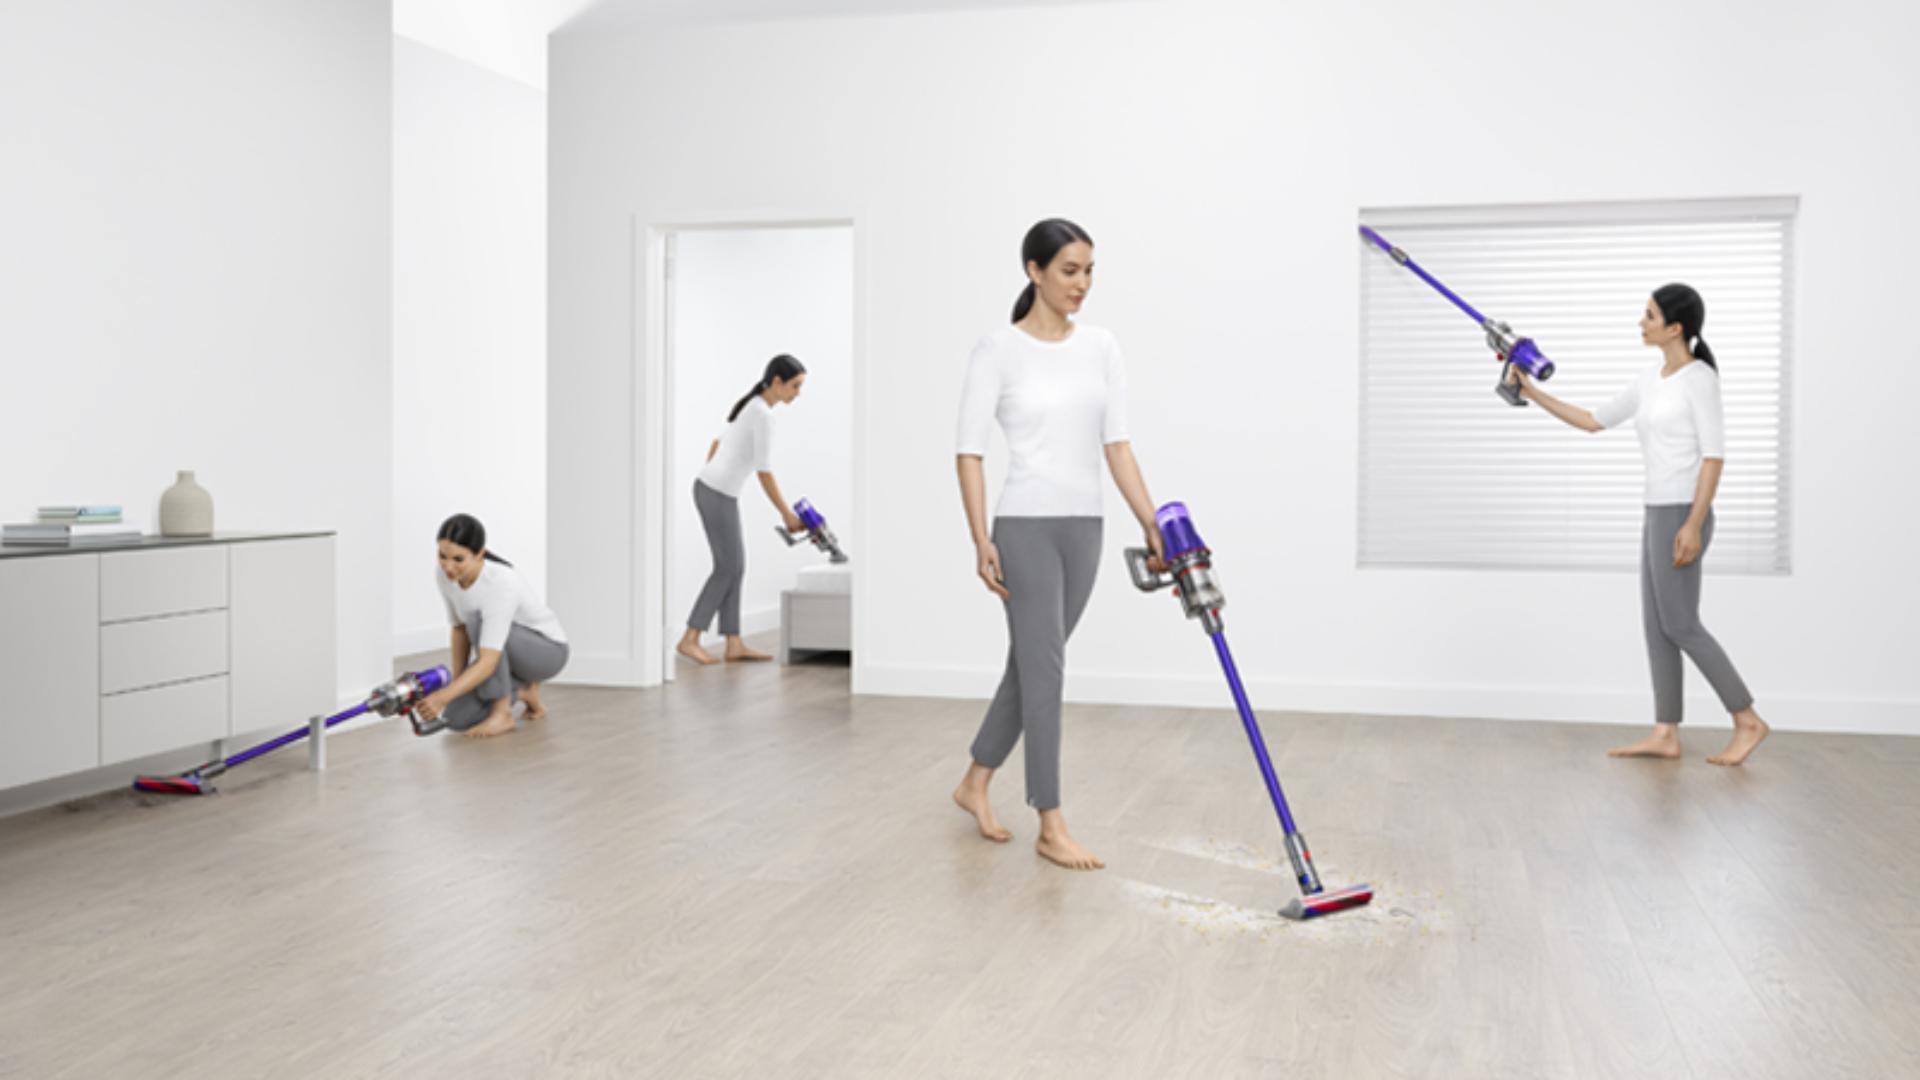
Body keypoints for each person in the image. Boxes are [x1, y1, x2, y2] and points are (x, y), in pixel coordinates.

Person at [951, 218, 1165, 871]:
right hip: (1025, 528)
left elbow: (1117, 446)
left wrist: (1152, 523)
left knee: (1032, 665)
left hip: (1086, 528)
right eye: (1070, 270)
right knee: (1047, 672)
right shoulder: (997, 350)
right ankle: (1051, 821)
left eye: (1090, 270)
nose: (1083, 284)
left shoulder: (1102, 347)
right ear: (1034, 271)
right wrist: (980, 537)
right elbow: (968, 451)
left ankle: (974, 783)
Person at [1510, 284, 1768, 765]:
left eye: (1649, 315)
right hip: (1656, 512)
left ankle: (1747, 719)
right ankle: (1666, 733)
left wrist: (1692, 524)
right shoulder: (1651, 379)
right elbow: (1592, 421)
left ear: (1675, 327)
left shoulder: (1699, 379)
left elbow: (1714, 457)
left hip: (1682, 513)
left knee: (1682, 624)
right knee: (1657, 628)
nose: (1640, 322)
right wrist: (1531, 391)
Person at [677, 354, 809, 665]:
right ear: (777, 382)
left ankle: (733, 642)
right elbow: (764, 471)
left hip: (716, 489)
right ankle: (690, 638)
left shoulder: (752, 406)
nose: (797, 394)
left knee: (735, 566)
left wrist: (716, 472)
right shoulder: (763, 414)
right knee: (727, 568)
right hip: (716, 492)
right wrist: (786, 514)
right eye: (795, 386)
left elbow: (716, 442)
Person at [414, 514, 570, 739]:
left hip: (547, 652)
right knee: (455, 720)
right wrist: (457, 685)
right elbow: (459, 629)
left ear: (480, 554)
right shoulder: (444, 575)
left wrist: (442, 697)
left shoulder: (500, 583)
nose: (448, 567)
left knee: (478, 621)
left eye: (459, 559)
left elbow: (488, 662)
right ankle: (526, 692)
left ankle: (502, 713)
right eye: (442, 556)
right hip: (505, 655)